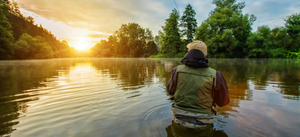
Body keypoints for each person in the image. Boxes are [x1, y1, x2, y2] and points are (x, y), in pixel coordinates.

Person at [166, 41, 230, 129]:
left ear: (188, 53)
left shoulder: (176, 71)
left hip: (179, 119)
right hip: (204, 122)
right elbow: (223, 102)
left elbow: (170, 91)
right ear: (205, 56)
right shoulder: (216, 75)